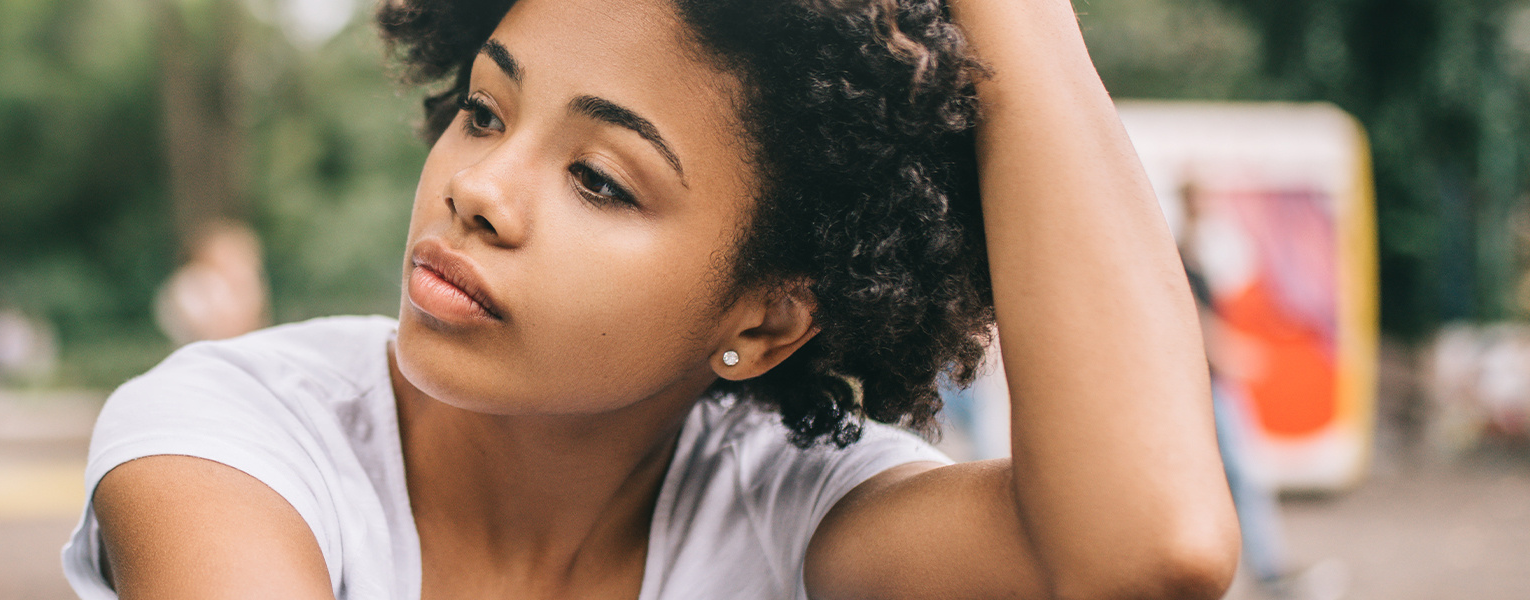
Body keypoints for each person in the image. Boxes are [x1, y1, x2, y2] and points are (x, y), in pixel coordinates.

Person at [63, 0, 1242, 598]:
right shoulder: (231, 441)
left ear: (765, 320)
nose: (477, 190)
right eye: (483, 110)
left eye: (597, 179)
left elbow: (1150, 552)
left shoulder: (787, 514)